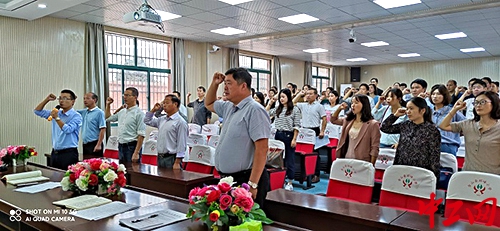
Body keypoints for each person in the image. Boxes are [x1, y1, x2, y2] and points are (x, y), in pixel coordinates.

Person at [205, 68, 271, 208]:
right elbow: (208, 103)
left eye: (229, 83)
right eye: (225, 83)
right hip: (228, 180)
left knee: (245, 226)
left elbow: (262, 149)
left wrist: (253, 184)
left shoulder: (255, 110)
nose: (225, 87)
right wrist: (214, 84)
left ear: (243, 86)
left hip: (246, 179)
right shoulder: (229, 107)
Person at [439, 91, 500, 174]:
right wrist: (454, 109)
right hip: (469, 173)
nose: (478, 105)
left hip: (493, 175)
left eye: (483, 102)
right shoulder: (468, 124)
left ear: (494, 103)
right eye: (476, 102)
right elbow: (443, 126)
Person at [380, 97, 441, 177]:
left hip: (421, 171)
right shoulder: (405, 125)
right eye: (407, 109)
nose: (408, 112)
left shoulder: (432, 130)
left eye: (411, 109)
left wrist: (433, 176)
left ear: (422, 110)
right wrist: (395, 115)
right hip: (401, 168)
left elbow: (434, 156)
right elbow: (384, 128)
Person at [34, 90, 82, 170]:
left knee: (67, 179)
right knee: (54, 178)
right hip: (55, 152)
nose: (61, 101)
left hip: (68, 153)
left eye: (65, 98)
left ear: (72, 102)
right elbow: (37, 111)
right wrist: (47, 100)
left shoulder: (76, 116)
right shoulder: (57, 113)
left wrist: (56, 118)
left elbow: (68, 129)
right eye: (60, 98)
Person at [266, 88, 301, 191]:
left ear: (288, 97)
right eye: (280, 97)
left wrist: (294, 139)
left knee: (290, 159)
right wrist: (271, 102)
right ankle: (280, 179)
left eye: (283, 97)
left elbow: (297, 126)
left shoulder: (295, 110)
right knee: (278, 159)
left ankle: (290, 181)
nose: (281, 99)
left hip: (289, 136)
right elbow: (266, 113)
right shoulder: (278, 108)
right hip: (278, 135)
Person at [331, 95, 380, 164]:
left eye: (356, 103)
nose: (353, 105)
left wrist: (371, 165)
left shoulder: (373, 124)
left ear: (364, 105)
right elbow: (333, 120)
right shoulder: (348, 120)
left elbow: (374, 148)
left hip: (363, 161)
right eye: (352, 103)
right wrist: (339, 109)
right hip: (347, 159)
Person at [293, 87, 327, 183]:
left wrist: (322, 131)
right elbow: (293, 103)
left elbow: (324, 119)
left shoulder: (319, 106)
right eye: (307, 94)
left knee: (315, 153)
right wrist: (300, 94)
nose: (308, 95)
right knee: (303, 153)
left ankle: (316, 174)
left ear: (316, 95)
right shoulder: (303, 105)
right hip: (304, 130)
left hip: (315, 130)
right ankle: (304, 174)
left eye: (310, 94)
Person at [144, 94, 188, 169]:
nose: (164, 105)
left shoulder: (180, 122)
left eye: (167, 103)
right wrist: (153, 110)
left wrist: (177, 162)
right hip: (160, 157)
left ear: (175, 104)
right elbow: (147, 120)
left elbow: (182, 143)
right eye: (163, 103)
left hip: (171, 159)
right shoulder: (162, 119)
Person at [105, 87, 146, 163]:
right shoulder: (122, 112)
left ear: (135, 97)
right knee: (122, 171)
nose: (125, 97)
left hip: (132, 146)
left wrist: (136, 152)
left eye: (127, 95)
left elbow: (141, 134)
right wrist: (108, 105)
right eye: (124, 95)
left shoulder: (139, 113)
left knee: (133, 172)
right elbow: (108, 118)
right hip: (121, 145)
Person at [430, 84, 465, 156]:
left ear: (445, 96)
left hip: (448, 144)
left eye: (438, 94)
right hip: (431, 145)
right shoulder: (429, 112)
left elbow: (466, 124)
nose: (435, 96)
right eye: (433, 94)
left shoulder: (453, 111)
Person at [77, 92, 106, 156]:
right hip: (85, 143)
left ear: (94, 100)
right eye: (84, 98)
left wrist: (98, 144)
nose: (85, 100)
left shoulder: (99, 112)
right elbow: (71, 112)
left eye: (87, 98)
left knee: (95, 164)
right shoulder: (84, 112)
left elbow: (102, 129)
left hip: (94, 143)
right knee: (86, 164)